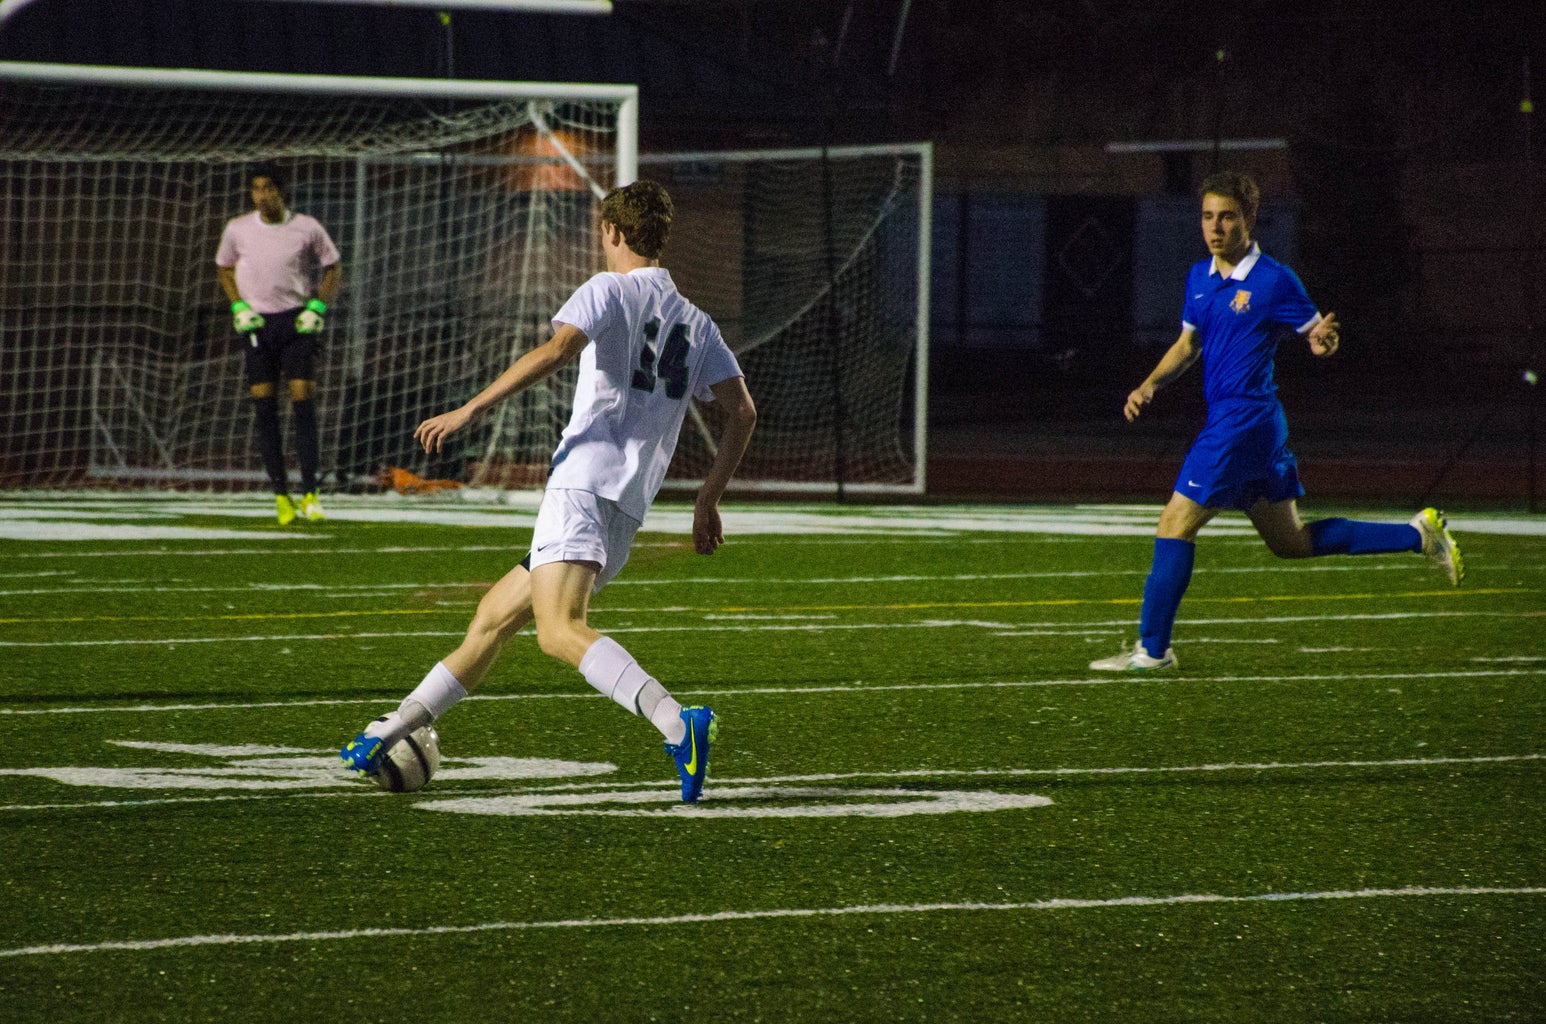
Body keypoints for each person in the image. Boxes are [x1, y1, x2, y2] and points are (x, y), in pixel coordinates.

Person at [340, 179, 757, 803]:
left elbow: (558, 349)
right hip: (628, 502)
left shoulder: (607, 289)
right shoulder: (699, 324)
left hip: (583, 483)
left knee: (558, 631)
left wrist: (470, 410)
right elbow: (743, 413)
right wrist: (707, 500)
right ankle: (392, 728)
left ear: (612, 232)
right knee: (492, 618)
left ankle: (677, 723)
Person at [1090, 171, 1462, 672]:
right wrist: (1150, 383)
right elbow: (1188, 345)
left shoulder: (1274, 280)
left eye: (1226, 217)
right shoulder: (1200, 278)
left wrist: (1323, 343)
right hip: (1253, 427)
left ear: (1248, 219)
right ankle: (1417, 535)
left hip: (1243, 420)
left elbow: (1317, 337)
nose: (1215, 227)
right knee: (1291, 542)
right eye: (1207, 217)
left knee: (1174, 524)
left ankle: (1152, 651)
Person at [216, 164, 342, 525]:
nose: (262, 195)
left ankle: (311, 494)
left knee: (303, 401)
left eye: (268, 188)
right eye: (256, 189)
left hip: (295, 321)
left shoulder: (307, 227)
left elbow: (333, 266)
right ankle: (281, 496)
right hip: (257, 323)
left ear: (282, 191)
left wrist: (317, 306)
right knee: (264, 406)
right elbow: (224, 267)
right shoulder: (237, 228)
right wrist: (238, 305)